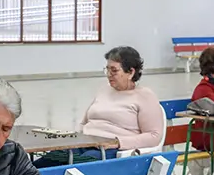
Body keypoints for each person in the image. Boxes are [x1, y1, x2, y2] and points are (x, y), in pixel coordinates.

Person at [33, 47, 162, 166]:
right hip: (85, 143)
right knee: (44, 163)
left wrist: (118, 142)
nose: (109, 74)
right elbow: (84, 122)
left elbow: (154, 136)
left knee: (80, 166)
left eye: (114, 70)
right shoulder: (104, 90)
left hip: (112, 150)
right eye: (107, 69)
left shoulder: (145, 96)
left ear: (131, 72)